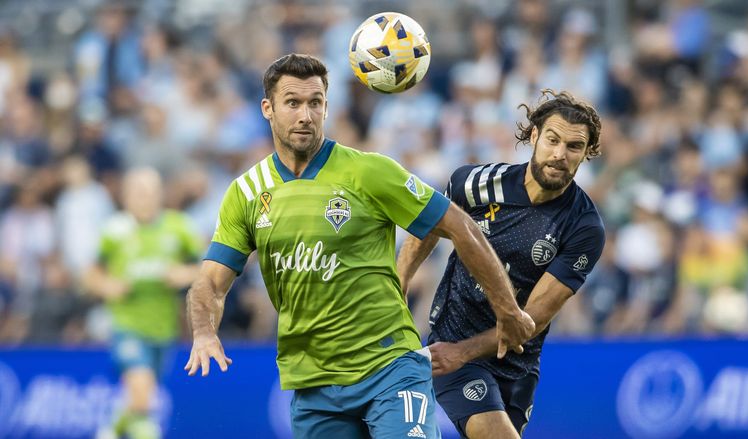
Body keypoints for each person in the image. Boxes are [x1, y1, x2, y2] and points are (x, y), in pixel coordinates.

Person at [183, 53, 536, 438]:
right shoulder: (246, 192)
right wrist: (204, 331)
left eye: (315, 102)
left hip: (388, 366)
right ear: (268, 108)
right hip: (314, 382)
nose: (305, 115)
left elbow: (461, 227)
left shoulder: (368, 171)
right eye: (293, 103)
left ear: (327, 107)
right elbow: (210, 284)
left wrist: (507, 310)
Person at [397, 89, 606, 438]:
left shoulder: (584, 227)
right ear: (535, 136)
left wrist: (463, 353)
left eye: (573, 147)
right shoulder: (476, 182)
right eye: (552, 140)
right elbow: (428, 225)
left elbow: (532, 320)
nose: (559, 154)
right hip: (452, 339)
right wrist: (398, 286)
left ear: (586, 154)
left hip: (517, 363)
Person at [85, 167, 202, 439]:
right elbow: (90, 274)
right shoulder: (114, 231)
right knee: (141, 397)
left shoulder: (178, 227)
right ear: (125, 197)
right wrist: (107, 286)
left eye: (149, 192)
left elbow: (207, 267)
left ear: (160, 194)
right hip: (127, 325)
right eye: (138, 192)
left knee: (140, 399)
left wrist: (183, 274)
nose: (144, 198)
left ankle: (110, 431)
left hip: (164, 327)